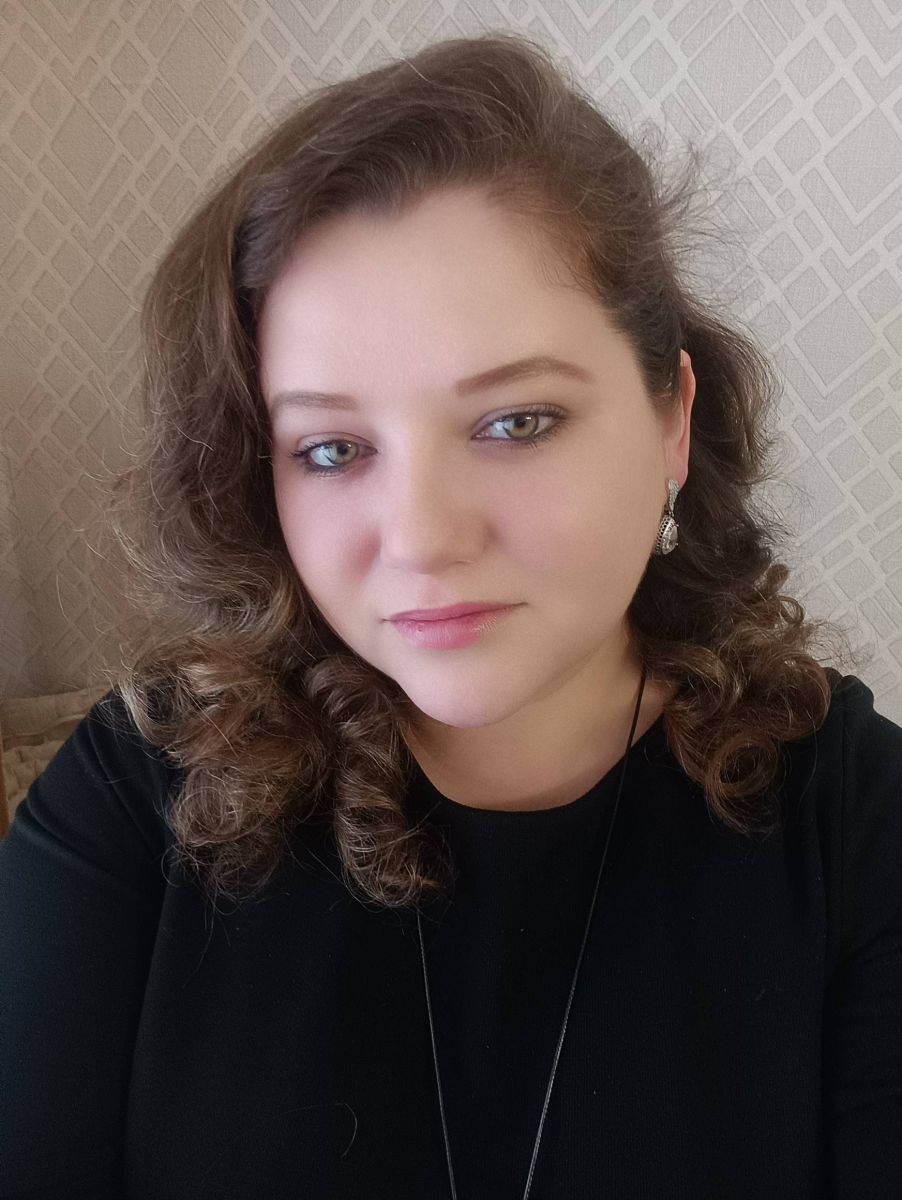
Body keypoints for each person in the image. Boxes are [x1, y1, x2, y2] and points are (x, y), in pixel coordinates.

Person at [1, 30, 900, 1200]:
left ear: (671, 421)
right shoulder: (139, 797)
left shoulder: (853, 825)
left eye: (515, 422)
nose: (420, 537)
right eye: (331, 449)